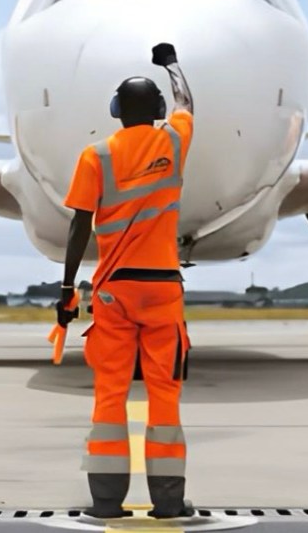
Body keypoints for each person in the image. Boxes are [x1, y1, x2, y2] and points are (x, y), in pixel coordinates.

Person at [57, 42, 195, 519]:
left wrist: (66, 289)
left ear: (115, 111)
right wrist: (173, 65)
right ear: (156, 110)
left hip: (113, 290)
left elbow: (79, 225)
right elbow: (186, 105)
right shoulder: (173, 143)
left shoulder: (95, 156)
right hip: (162, 289)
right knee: (165, 396)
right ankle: (170, 502)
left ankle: (106, 501)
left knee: (109, 394)